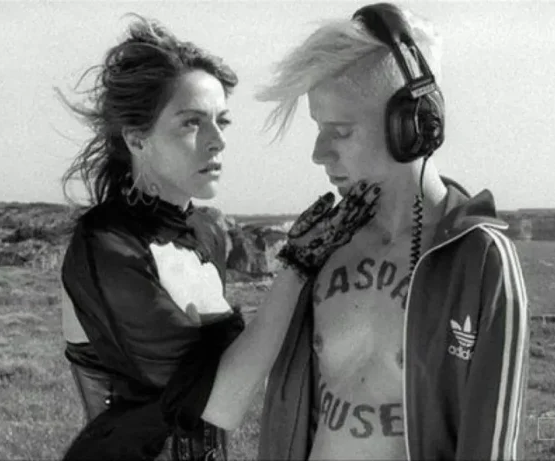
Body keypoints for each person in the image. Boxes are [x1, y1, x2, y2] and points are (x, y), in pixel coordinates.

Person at [56, 14, 380, 461]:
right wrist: (296, 265)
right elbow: (221, 404)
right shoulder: (106, 245)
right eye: (192, 123)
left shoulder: (206, 232)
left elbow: (241, 363)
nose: (217, 142)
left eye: (221, 122)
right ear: (136, 139)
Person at [250, 3, 531, 461]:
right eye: (319, 129)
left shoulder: (480, 259)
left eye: (340, 131)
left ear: (412, 125)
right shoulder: (322, 247)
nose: (319, 153)